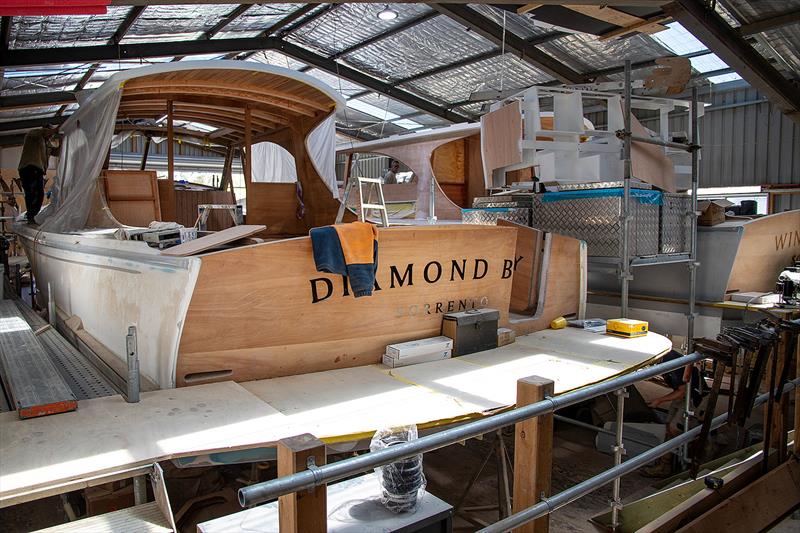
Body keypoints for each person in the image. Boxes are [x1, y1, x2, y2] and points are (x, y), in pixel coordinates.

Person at [641, 350, 706, 478]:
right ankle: (665, 464)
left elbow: (683, 391)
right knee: (669, 428)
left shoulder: (671, 361)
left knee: (675, 428)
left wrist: (659, 400)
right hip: (681, 394)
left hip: (693, 396)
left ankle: (696, 454)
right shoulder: (663, 359)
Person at [17, 126, 55, 224]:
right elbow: (42, 133)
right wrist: (56, 129)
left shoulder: (47, 143)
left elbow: (57, 152)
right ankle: (31, 216)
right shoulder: (34, 134)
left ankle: (33, 216)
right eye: (50, 134)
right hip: (29, 167)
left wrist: (64, 139)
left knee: (39, 194)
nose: (51, 136)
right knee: (32, 192)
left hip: (38, 170)